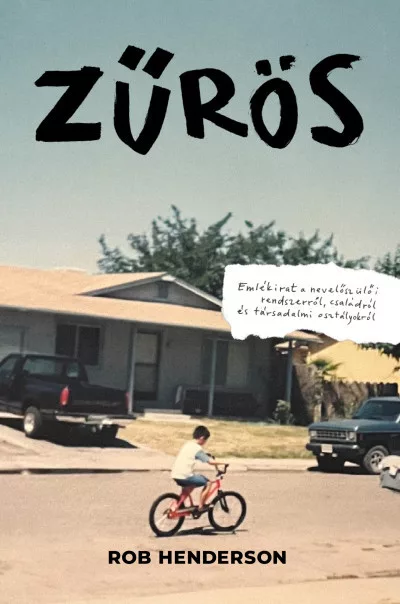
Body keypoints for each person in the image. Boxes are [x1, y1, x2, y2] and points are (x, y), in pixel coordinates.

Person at [171, 425, 223, 511]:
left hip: (175, 474)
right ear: (202, 438)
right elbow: (210, 462)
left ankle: (175, 506)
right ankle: (201, 507)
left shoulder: (188, 444)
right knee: (208, 483)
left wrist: (205, 455)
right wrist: (224, 462)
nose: (205, 442)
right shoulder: (197, 448)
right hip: (185, 476)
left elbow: (196, 454)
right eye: (206, 440)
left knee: (190, 486)